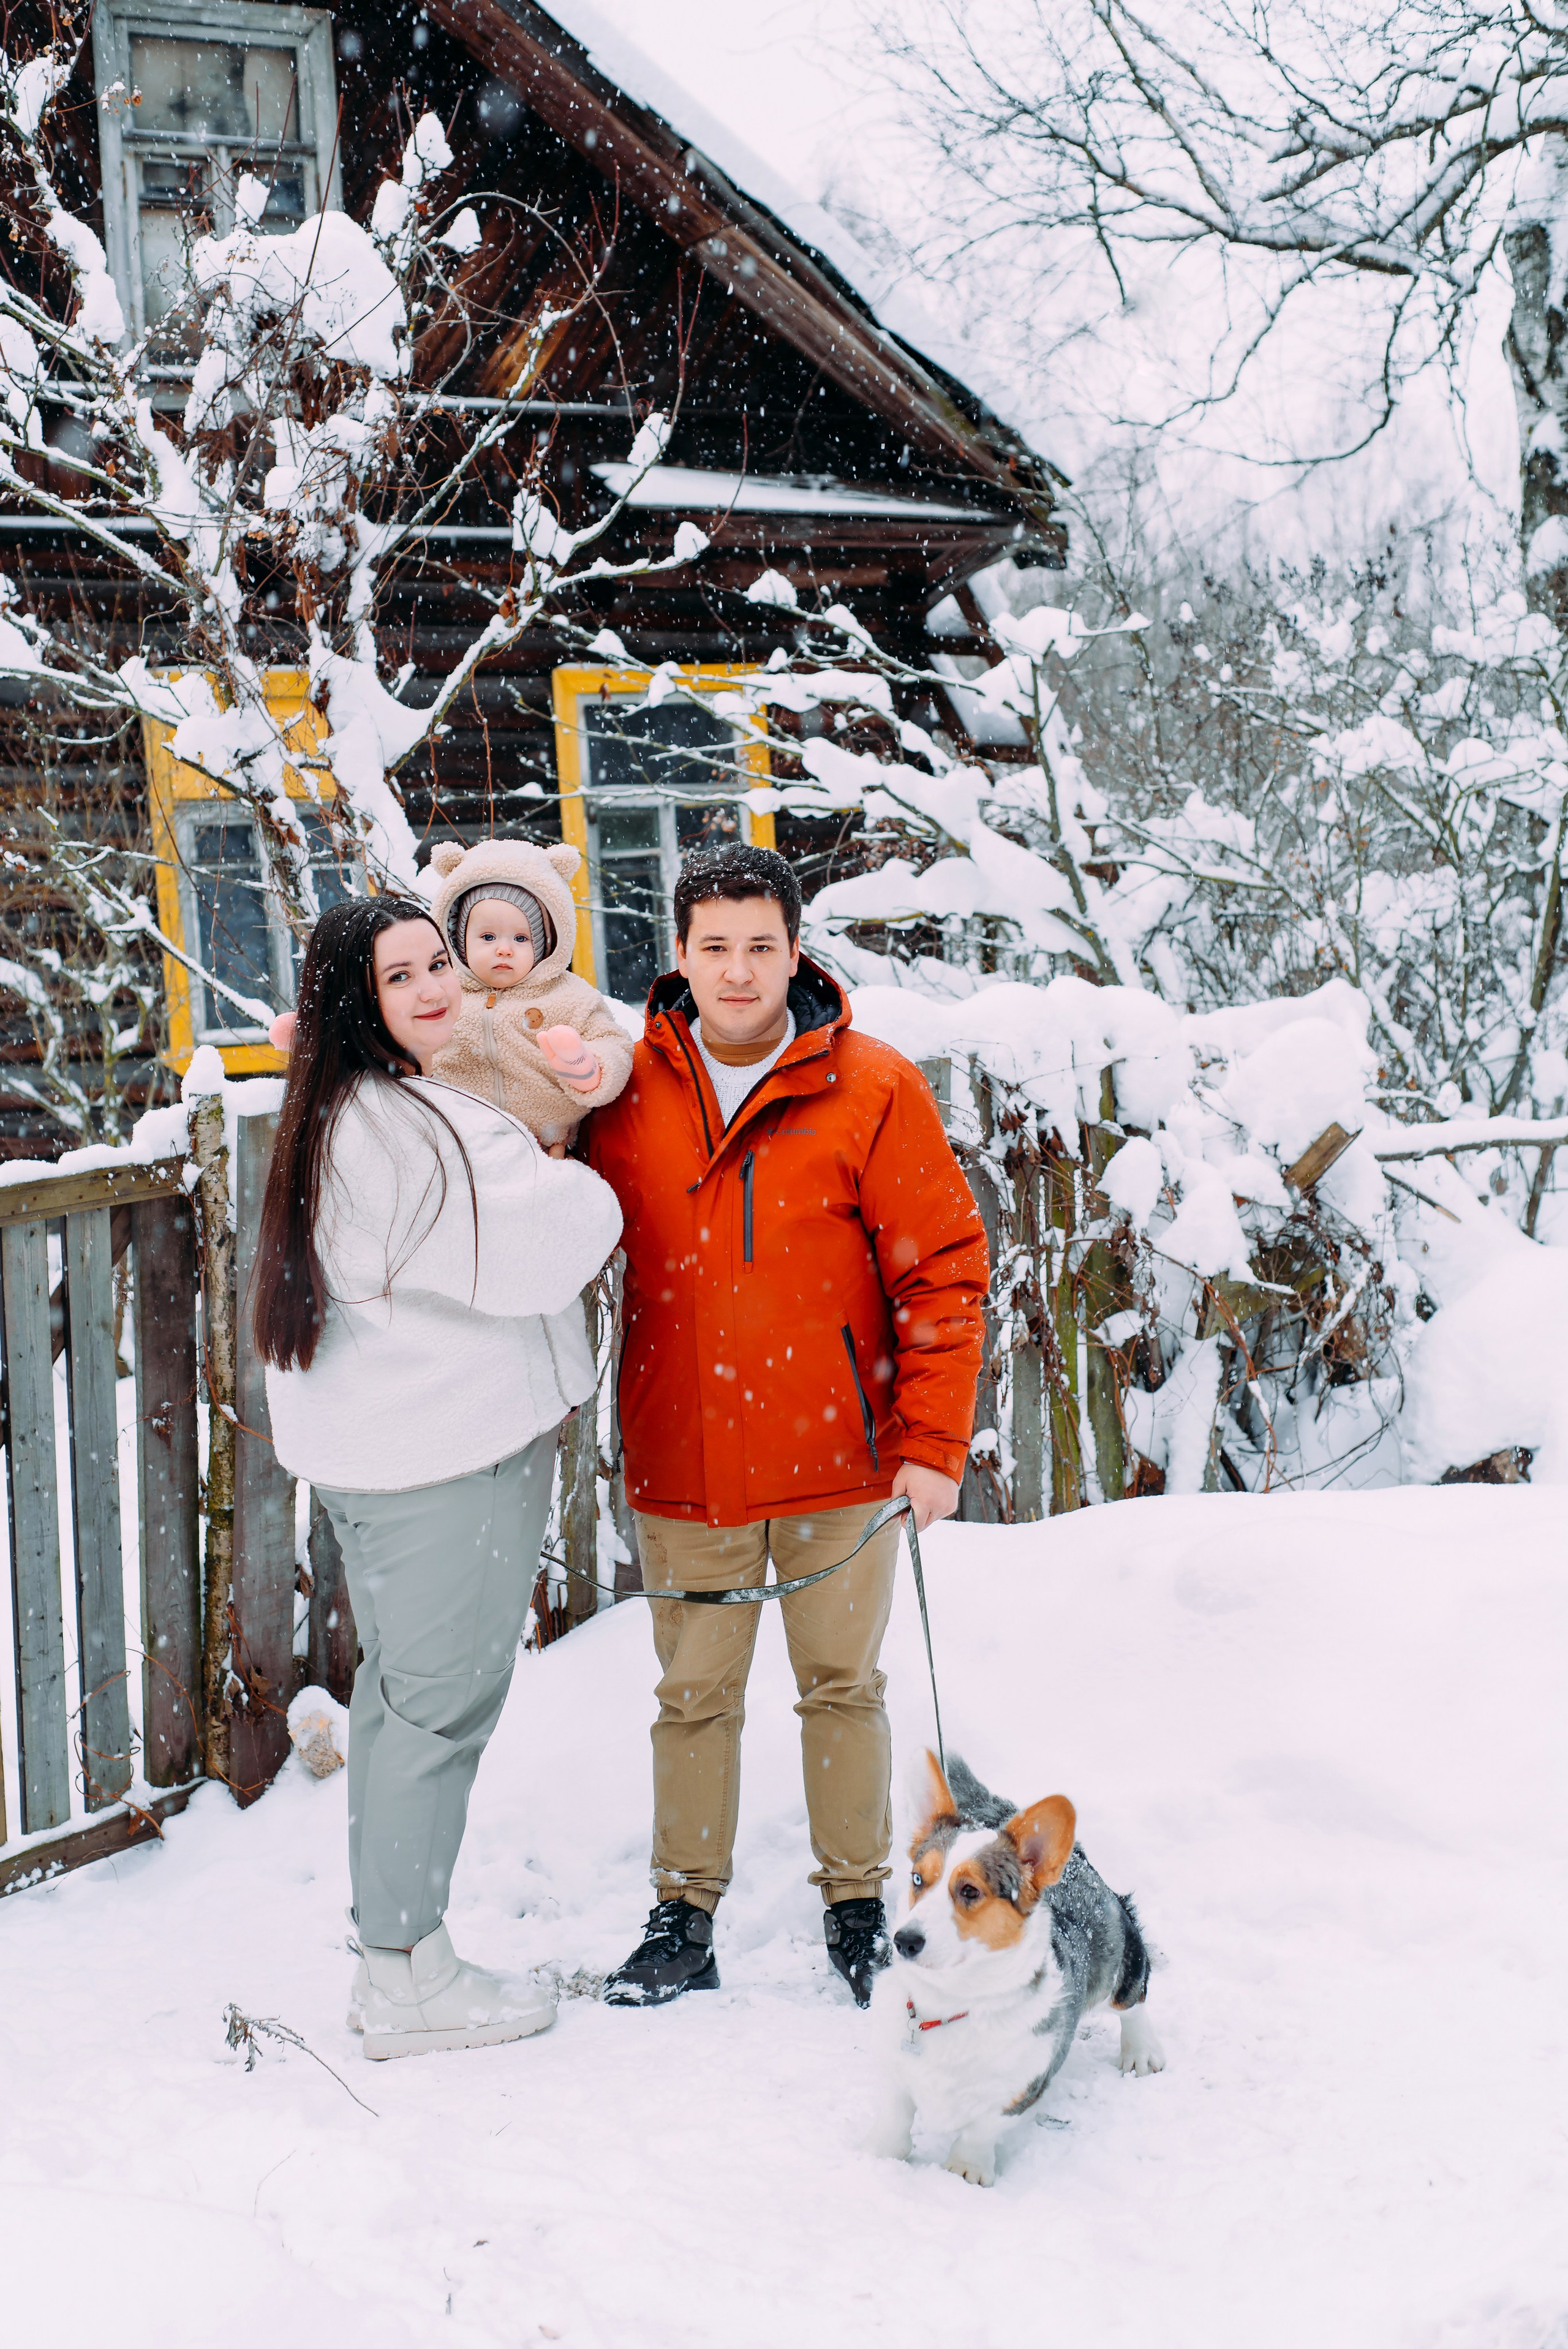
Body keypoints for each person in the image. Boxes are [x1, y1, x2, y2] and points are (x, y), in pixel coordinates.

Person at [586, 843, 987, 2008]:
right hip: (686, 1456)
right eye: (715, 947)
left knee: (842, 1689)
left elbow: (945, 1270)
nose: (740, 970)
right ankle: (683, 1915)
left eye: (761, 946)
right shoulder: (623, 1092)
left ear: (796, 951)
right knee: (693, 1696)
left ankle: (858, 1904)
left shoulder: (871, 1086)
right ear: (678, 957)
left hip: (839, 1460)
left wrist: (930, 1443)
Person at [256, 897, 622, 2061]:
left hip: (398, 1460)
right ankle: (407, 1975)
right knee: (434, 1710)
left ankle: (397, 1955)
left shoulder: (357, 1106)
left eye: (437, 964)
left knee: (404, 1704)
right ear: (349, 1003)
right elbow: (546, 1245)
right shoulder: (399, 1129)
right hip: (442, 1466)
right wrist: (581, 1182)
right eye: (397, 976)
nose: (431, 989)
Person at [425, 837, 634, 1149]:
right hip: (464, 1148)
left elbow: (614, 1042)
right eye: (488, 936)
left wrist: (591, 1068)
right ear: (456, 938)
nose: (504, 949)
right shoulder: (443, 993)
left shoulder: (569, 996)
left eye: (522, 938)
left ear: (545, 943)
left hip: (550, 1147)